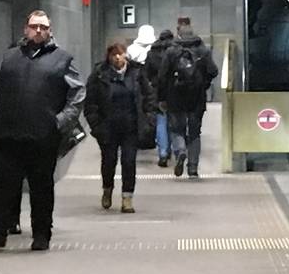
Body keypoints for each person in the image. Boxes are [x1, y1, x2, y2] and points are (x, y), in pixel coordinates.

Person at [0, 10, 83, 252]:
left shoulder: (62, 59)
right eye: (34, 26)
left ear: (50, 31)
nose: (38, 31)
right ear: (25, 29)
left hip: (43, 137)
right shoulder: (9, 57)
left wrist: (60, 122)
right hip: (7, 136)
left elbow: (77, 94)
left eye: (43, 27)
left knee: (41, 188)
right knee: (3, 186)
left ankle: (41, 235)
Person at [85, 40, 154, 213]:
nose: (117, 57)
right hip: (107, 127)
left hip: (131, 126)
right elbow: (91, 102)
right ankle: (107, 189)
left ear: (126, 54)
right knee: (109, 161)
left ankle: (127, 198)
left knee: (129, 162)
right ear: (108, 56)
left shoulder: (136, 73)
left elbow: (148, 97)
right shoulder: (99, 75)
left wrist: (149, 119)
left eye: (120, 54)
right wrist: (96, 125)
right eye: (113, 54)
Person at [155, 16, 214, 179]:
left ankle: (180, 151)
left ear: (179, 33)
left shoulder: (171, 51)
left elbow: (162, 76)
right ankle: (193, 168)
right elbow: (213, 71)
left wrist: (161, 98)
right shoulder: (202, 50)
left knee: (176, 129)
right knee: (195, 133)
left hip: (175, 96)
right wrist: (204, 84)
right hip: (197, 97)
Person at [132, 24, 169, 165]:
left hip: (154, 89)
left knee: (160, 121)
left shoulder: (148, 52)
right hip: (174, 91)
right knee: (174, 123)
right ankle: (176, 149)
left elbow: (146, 72)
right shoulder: (175, 52)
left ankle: (163, 152)